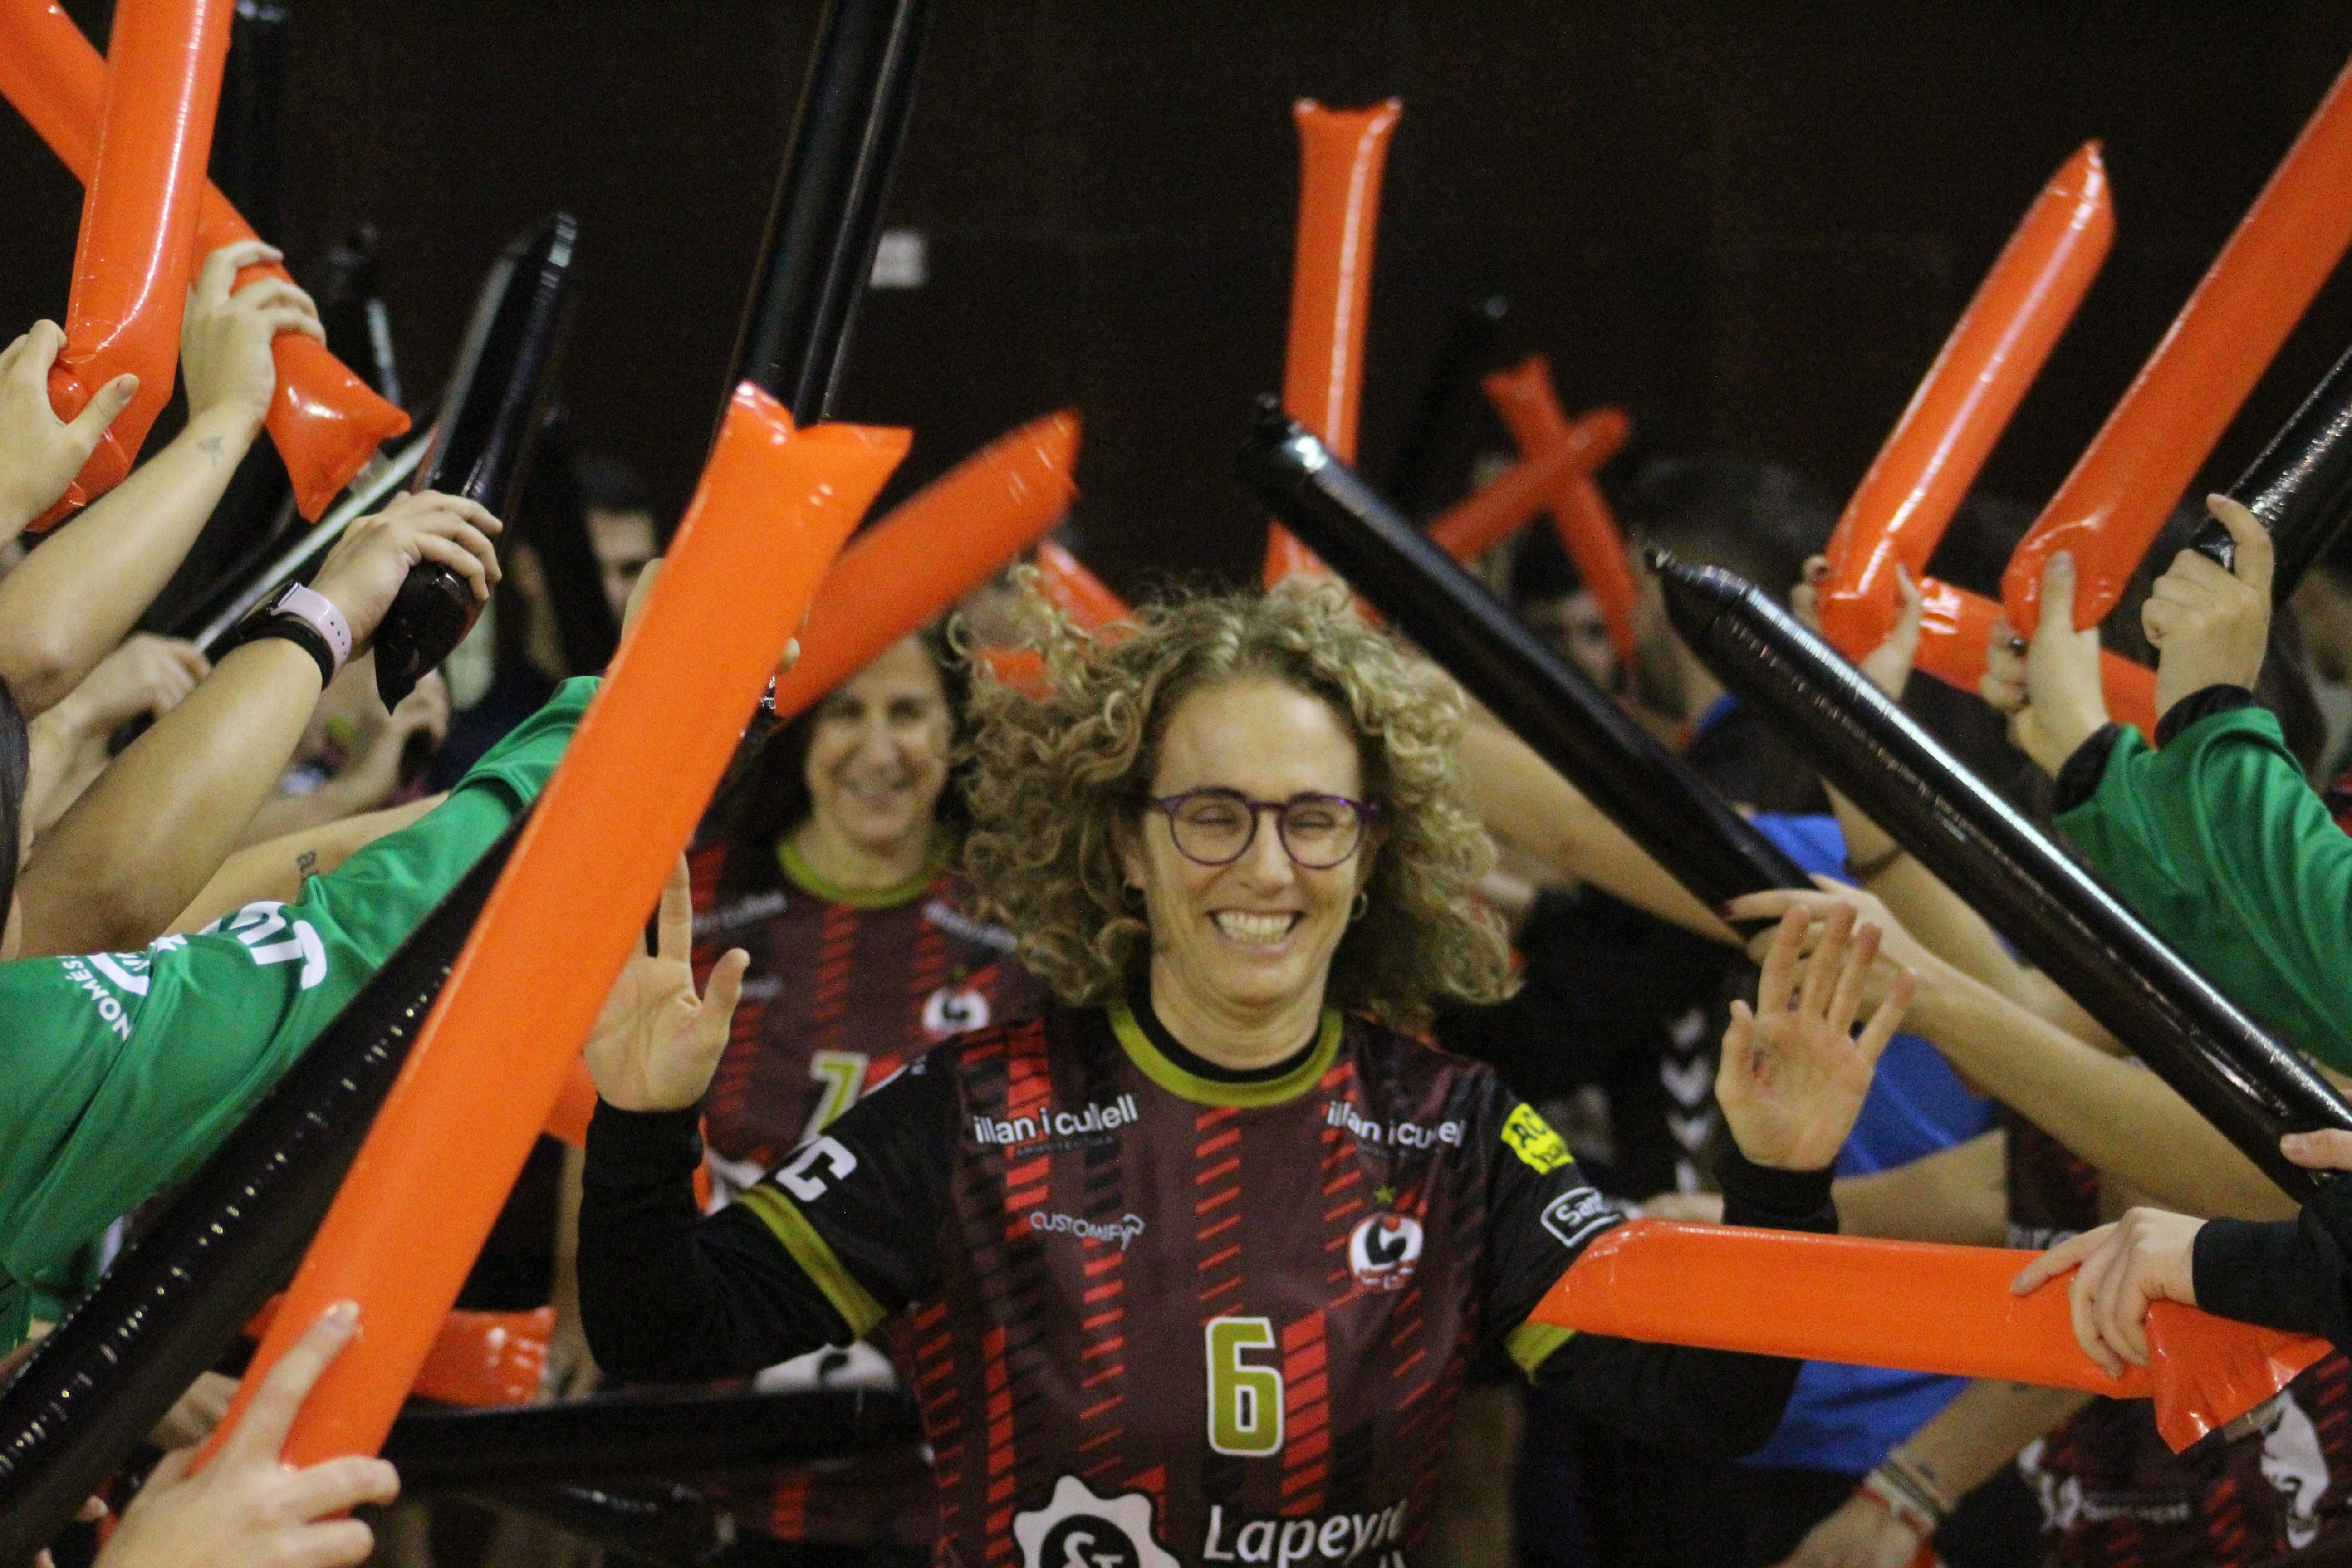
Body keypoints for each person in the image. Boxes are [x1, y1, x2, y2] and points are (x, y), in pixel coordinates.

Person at [578, 581, 1914, 1566]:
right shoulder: (974, 1118)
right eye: (1212, 816)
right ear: (1130, 843)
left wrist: (1781, 1182)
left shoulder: (1458, 1133)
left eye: (1314, 819)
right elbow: (666, 1335)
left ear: (1376, 851)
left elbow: (1705, 1409)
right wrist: (642, 1126)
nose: (1266, 869)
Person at [666, 627, 1045, 1560]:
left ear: (957, 731)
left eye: (910, 711)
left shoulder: (1032, 919)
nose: (880, 751)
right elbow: (612, 1111)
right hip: (719, 1453)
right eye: (847, 711)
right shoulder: (701, 899)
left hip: (956, 1474)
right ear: (801, 731)